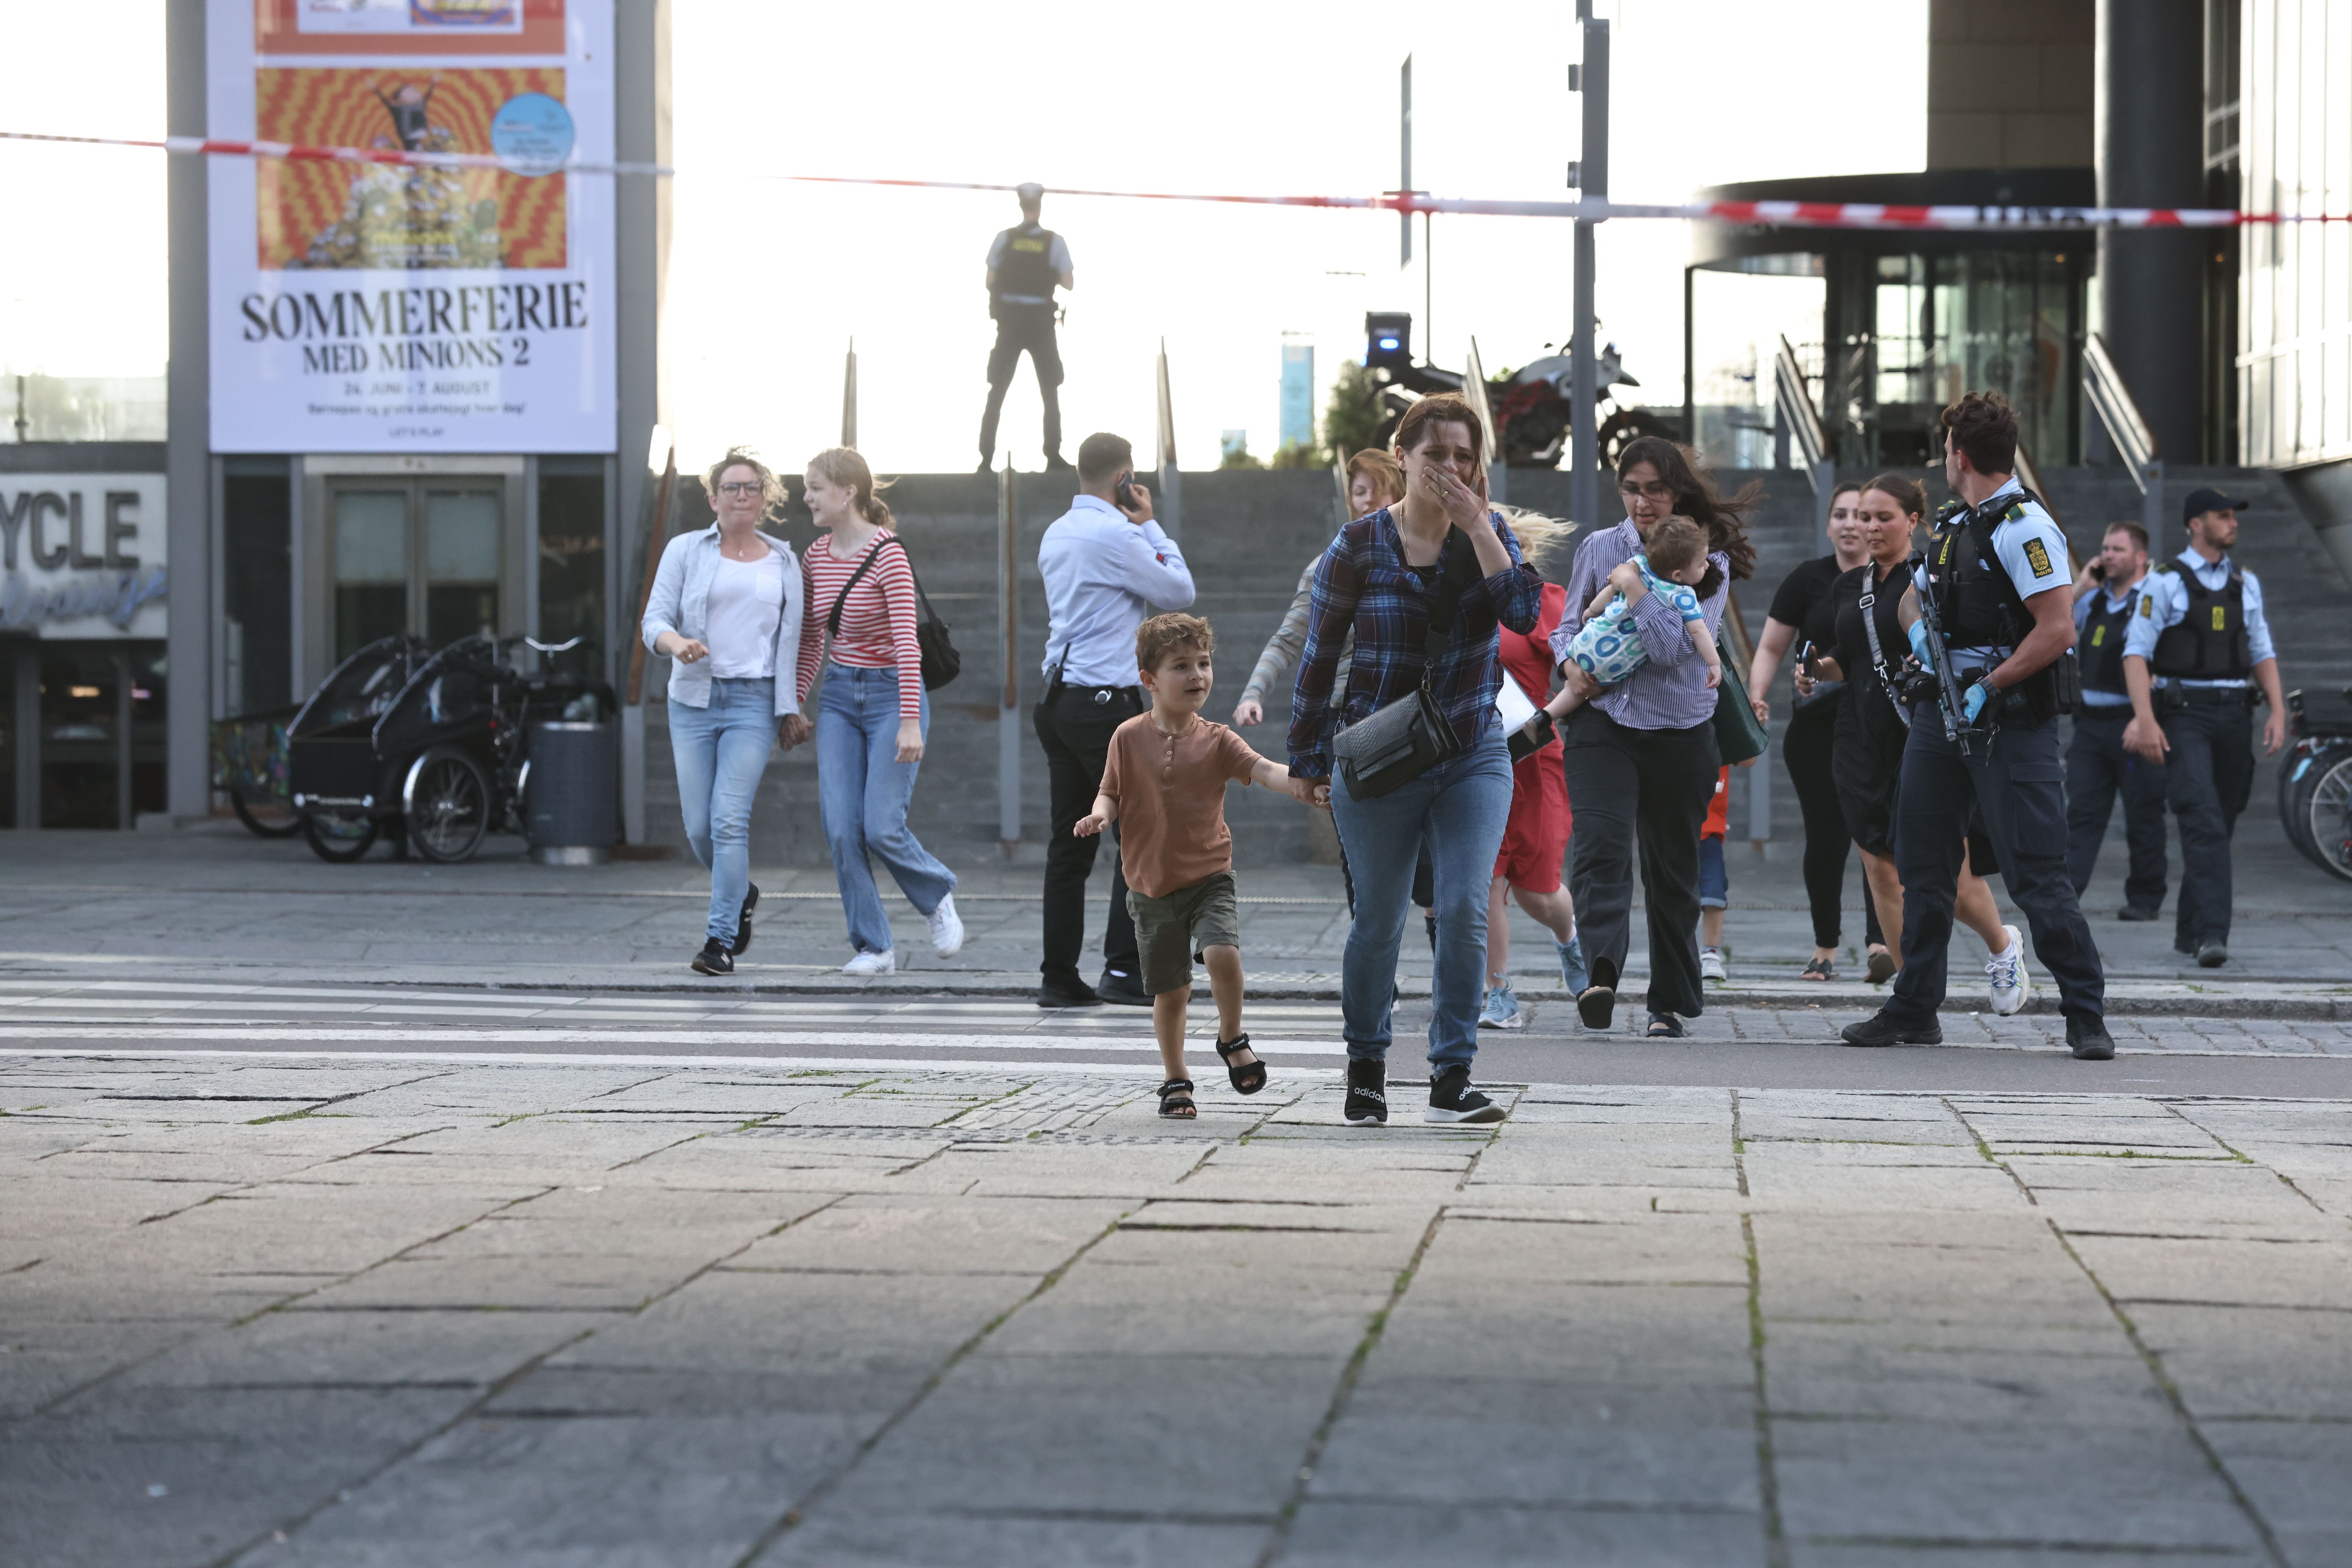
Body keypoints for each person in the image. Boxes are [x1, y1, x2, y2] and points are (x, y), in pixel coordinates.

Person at [1290, 392, 1541, 1127]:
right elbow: (1319, 653)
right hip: (1380, 755)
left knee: (1464, 906)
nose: (1451, 468)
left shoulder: (1488, 532)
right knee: (1377, 920)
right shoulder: (1359, 544)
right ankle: (1365, 1066)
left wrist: (1477, 526)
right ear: (1401, 458)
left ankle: (1450, 1074)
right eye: (1436, 455)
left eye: (1465, 456)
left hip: (1472, 748)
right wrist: (1307, 755)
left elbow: (1523, 614)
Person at [1840, 394, 2113, 1060]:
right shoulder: (1957, 522)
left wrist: (1987, 686)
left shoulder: (2024, 528)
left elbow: (2056, 627)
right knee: (1923, 867)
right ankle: (1913, 1008)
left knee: (2037, 874)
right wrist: (1921, 649)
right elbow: (1914, 598)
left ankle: (2084, 1015)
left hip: (2007, 722)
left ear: (1957, 456)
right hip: (1942, 716)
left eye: (1943, 450)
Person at [1551, 437, 1755, 1040]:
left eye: (1656, 489)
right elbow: (1568, 624)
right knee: (1599, 849)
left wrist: (1636, 589)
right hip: (1603, 723)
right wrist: (1569, 665)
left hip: (1681, 730)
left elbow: (1671, 651)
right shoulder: (1600, 548)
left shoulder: (1703, 560)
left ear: (1678, 491)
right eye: (1632, 489)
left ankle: (1668, 1003)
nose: (1643, 502)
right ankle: (1602, 977)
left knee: (1672, 869)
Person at [1809, 474, 2032, 1015]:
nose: (1869, 527)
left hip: (1920, 735)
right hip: (1857, 737)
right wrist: (1817, 670)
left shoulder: (1931, 575)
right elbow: (1851, 655)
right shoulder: (1850, 585)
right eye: (1863, 516)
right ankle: (1911, 998)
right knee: (1881, 870)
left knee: (1947, 875)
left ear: (1913, 521)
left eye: (1882, 517)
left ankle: (2003, 946)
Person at [1076, 614, 1297, 1118]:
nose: (1198, 674)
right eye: (1182, 666)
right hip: (1150, 887)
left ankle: (1232, 1035)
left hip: (1209, 877)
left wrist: (1304, 783)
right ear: (1149, 679)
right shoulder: (1127, 737)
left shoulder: (1219, 739)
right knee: (1171, 992)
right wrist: (1099, 815)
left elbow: (1264, 770)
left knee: (1222, 951)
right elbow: (1110, 790)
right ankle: (1176, 1078)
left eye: (1204, 663)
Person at [1035, 430, 1196, 1008]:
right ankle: (1123, 969)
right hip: (1106, 703)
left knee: (1069, 846)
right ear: (1124, 478)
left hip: (1059, 699)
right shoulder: (1117, 534)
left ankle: (1058, 977)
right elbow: (1179, 589)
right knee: (1143, 838)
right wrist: (1151, 524)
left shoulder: (1058, 532)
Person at [641, 449, 809, 977]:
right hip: (692, 699)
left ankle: (719, 940)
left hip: (753, 704)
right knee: (699, 828)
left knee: (729, 819)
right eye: (732, 487)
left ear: (765, 499)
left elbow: (797, 641)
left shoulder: (783, 560)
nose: (742, 495)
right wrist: (677, 643)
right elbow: (653, 621)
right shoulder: (686, 550)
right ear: (712, 498)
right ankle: (742, 891)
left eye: (752, 488)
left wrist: (792, 705)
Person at [795, 447, 963, 977]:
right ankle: (875, 947)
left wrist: (911, 719)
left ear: (848, 493)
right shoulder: (814, 557)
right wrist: (795, 703)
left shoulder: (889, 553)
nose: (808, 497)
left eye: (816, 487)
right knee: (841, 828)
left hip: (895, 695)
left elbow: (907, 643)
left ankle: (937, 895)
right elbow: (808, 640)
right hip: (841, 698)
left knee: (881, 825)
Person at [2120, 488, 2285, 968]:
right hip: (2183, 713)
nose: (2233, 523)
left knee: (2221, 819)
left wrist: (2276, 710)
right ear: (2196, 523)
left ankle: (2189, 930)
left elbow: (2262, 650)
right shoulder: (2165, 582)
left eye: (2234, 516)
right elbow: (2135, 654)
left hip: (2236, 712)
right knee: (2203, 817)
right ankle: (2213, 934)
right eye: (2223, 516)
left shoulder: (2244, 583)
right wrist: (2146, 719)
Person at [1748, 481, 1886, 980]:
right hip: (1815, 729)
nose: (1851, 523)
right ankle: (1825, 946)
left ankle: (1880, 941)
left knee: (1877, 836)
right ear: (1828, 523)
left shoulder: (1891, 578)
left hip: (1879, 727)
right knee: (1826, 840)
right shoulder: (1808, 579)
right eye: (1842, 514)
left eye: (1862, 514)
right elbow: (1770, 648)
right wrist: (1757, 695)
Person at [1481, 561, 1586, 1032]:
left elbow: (1580, 665)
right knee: (1486, 882)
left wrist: (1553, 711)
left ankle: (1569, 938)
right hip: (1475, 759)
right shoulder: (1458, 594)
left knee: (1536, 891)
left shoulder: (1542, 598)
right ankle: (1498, 994)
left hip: (1532, 758)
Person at [1232, 450, 1405, 731]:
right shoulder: (1327, 567)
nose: (1369, 500)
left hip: (1407, 713)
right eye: (1360, 492)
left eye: (1380, 490)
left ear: (1401, 494)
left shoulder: (1426, 559)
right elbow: (1286, 640)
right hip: (1345, 720)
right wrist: (1253, 694)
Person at [2065, 521, 2169, 920]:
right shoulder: (2095, 599)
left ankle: (2145, 898)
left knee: (2143, 813)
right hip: (2091, 725)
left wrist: (2145, 717)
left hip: (2134, 723)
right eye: (2105, 548)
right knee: (2082, 813)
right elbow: (2059, 627)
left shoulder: (2154, 597)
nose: (2107, 555)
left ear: (2141, 557)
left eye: (2118, 550)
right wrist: (2081, 587)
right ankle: (2067, 894)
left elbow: (2163, 660)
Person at [1551, 516, 1723, 712]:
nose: (1708, 566)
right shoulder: (1683, 596)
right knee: (1592, 683)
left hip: (1588, 640)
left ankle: (1547, 716)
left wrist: (1591, 611)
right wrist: (1714, 663)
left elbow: (1610, 591)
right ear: (1677, 575)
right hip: (1615, 662)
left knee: (1577, 687)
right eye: (1702, 564)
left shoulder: (1637, 565)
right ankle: (1548, 717)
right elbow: (1699, 631)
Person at [977, 183, 1073, 473]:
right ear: (1040, 206)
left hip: (1010, 323)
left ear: (1020, 205)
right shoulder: (1054, 241)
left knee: (998, 390)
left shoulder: (1004, 239)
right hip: (1041, 323)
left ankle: (986, 458)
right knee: (1050, 390)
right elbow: (1068, 283)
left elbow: (990, 281)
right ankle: (1053, 456)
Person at [1697, 765, 1732, 980]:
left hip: (1709, 827)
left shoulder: (1720, 732)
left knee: (1714, 889)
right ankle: (1675, 954)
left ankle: (1710, 952)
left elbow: (1749, 757)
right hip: (1670, 820)